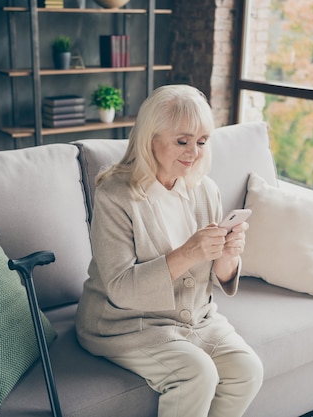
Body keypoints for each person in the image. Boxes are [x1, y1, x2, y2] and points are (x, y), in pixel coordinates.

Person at [75, 84, 263, 417]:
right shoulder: (115, 195)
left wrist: (228, 255)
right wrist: (190, 252)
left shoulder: (206, 190)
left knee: (248, 370)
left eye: (202, 141)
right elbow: (120, 288)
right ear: (151, 138)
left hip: (196, 319)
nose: (194, 152)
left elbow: (215, 277)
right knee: (198, 374)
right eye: (182, 141)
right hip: (126, 324)